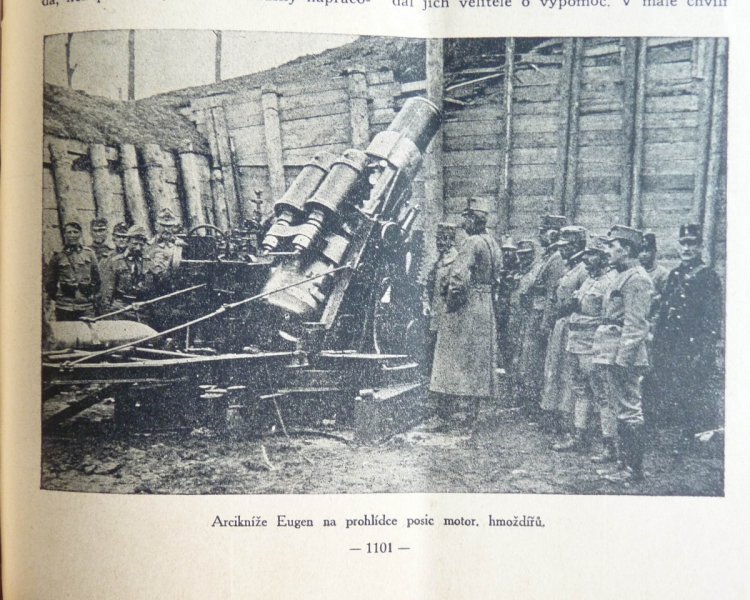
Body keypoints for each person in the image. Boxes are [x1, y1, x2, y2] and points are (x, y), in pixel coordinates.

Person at [429, 197, 501, 430]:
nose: (464, 224)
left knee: (451, 358)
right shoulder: (492, 243)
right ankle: (472, 413)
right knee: (477, 359)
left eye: (467, 219)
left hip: (467, 305)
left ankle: (446, 416)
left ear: (473, 219)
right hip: (485, 305)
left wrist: (450, 305)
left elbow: (459, 279)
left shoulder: (471, 243)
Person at [592, 225, 654, 483]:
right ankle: (622, 463)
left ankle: (633, 470)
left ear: (626, 249)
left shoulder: (637, 278)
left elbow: (636, 325)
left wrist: (623, 360)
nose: (607, 251)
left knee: (629, 409)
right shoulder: (622, 275)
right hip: (611, 351)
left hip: (624, 355)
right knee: (619, 408)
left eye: (612, 246)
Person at [652, 223, 723, 445]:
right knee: (671, 386)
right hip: (671, 342)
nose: (686, 248)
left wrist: (706, 346)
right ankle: (676, 435)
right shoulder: (675, 274)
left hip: (692, 343)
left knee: (692, 388)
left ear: (700, 247)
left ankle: (692, 435)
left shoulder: (708, 276)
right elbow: (665, 309)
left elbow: (712, 316)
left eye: (691, 244)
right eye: (683, 243)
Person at [553, 236, 616, 456]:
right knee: (580, 390)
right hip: (576, 342)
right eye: (586, 254)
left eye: (592, 255)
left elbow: (608, 318)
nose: (587, 259)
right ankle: (579, 436)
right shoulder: (589, 280)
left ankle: (609, 445)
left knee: (602, 394)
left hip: (594, 345)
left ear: (604, 258)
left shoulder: (609, 282)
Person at [515, 214, 567, 415]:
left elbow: (552, 293)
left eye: (543, 231)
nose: (540, 235)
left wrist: (546, 322)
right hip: (535, 313)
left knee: (538, 360)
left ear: (553, 234)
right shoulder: (549, 256)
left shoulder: (556, 258)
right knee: (530, 359)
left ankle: (537, 406)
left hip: (542, 315)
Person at [540, 225, 590, 433]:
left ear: (577, 245)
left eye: (567, 246)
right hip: (561, 324)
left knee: (568, 372)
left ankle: (568, 418)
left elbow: (582, 302)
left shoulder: (583, 270)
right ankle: (556, 414)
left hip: (572, 325)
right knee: (555, 368)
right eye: (561, 246)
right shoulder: (569, 267)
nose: (562, 250)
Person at [43, 220, 101, 321]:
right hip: (64, 306)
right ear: (64, 235)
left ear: (80, 234)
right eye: (69, 232)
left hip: (86, 305)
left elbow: (96, 279)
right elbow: (50, 282)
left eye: (75, 232)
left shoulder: (89, 254)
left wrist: (90, 295)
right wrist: (60, 297)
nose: (72, 235)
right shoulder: (58, 256)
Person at [100, 225, 159, 321]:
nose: (138, 248)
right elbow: (107, 292)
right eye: (135, 244)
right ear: (127, 242)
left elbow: (153, 289)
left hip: (142, 310)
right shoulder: (115, 262)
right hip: (120, 309)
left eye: (141, 244)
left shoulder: (149, 262)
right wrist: (106, 314)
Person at [425, 222, 459, 371]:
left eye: (444, 239)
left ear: (451, 241)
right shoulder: (437, 261)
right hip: (435, 310)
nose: (439, 242)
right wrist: (426, 303)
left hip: (448, 313)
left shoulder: (456, 261)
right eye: (438, 239)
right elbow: (429, 285)